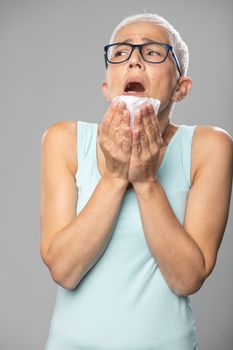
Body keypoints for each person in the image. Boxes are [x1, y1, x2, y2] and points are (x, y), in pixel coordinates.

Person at [40, 12, 233, 350]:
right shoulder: (62, 140)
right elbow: (64, 270)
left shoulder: (210, 147)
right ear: (106, 86)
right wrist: (115, 176)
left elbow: (188, 278)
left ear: (180, 87)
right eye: (120, 53)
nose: (134, 62)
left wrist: (145, 182)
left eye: (153, 52)